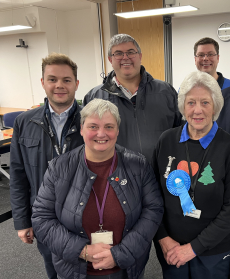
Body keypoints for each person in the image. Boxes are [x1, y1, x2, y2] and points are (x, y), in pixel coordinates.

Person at [31, 99, 164, 279]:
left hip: (126, 268)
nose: (101, 133)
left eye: (109, 126)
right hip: (74, 270)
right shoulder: (59, 168)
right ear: (81, 129)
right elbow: (42, 218)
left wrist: (120, 254)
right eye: (93, 126)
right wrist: (82, 250)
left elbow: (153, 211)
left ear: (117, 130)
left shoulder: (138, 165)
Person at [152, 71, 230, 278]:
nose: (198, 110)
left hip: (213, 252)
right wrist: (163, 238)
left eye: (205, 103)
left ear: (215, 107)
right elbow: (152, 196)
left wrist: (192, 248)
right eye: (191, 102)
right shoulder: (166, 141)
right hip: (171, 248)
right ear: (183, 106)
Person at [10, 53, 84, 279]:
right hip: (44, 217)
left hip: (83, 216)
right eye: (52, 79)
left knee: (87, 270)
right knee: (54, 270)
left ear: (76, 84)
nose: (59, 85)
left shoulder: (91, 120)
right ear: (43, 82)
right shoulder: (24, 122)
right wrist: (22, 221)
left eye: (66, 80)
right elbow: (18, 174)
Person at [84, 34, 182, 162]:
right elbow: (88, 140)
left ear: (140, 56)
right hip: (117, 176)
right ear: (110, 59)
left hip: (162, 175)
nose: (125, 58)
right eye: (118, 53)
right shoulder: (95, 97)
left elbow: (181, 132)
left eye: (131, 52)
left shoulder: (166, 92)